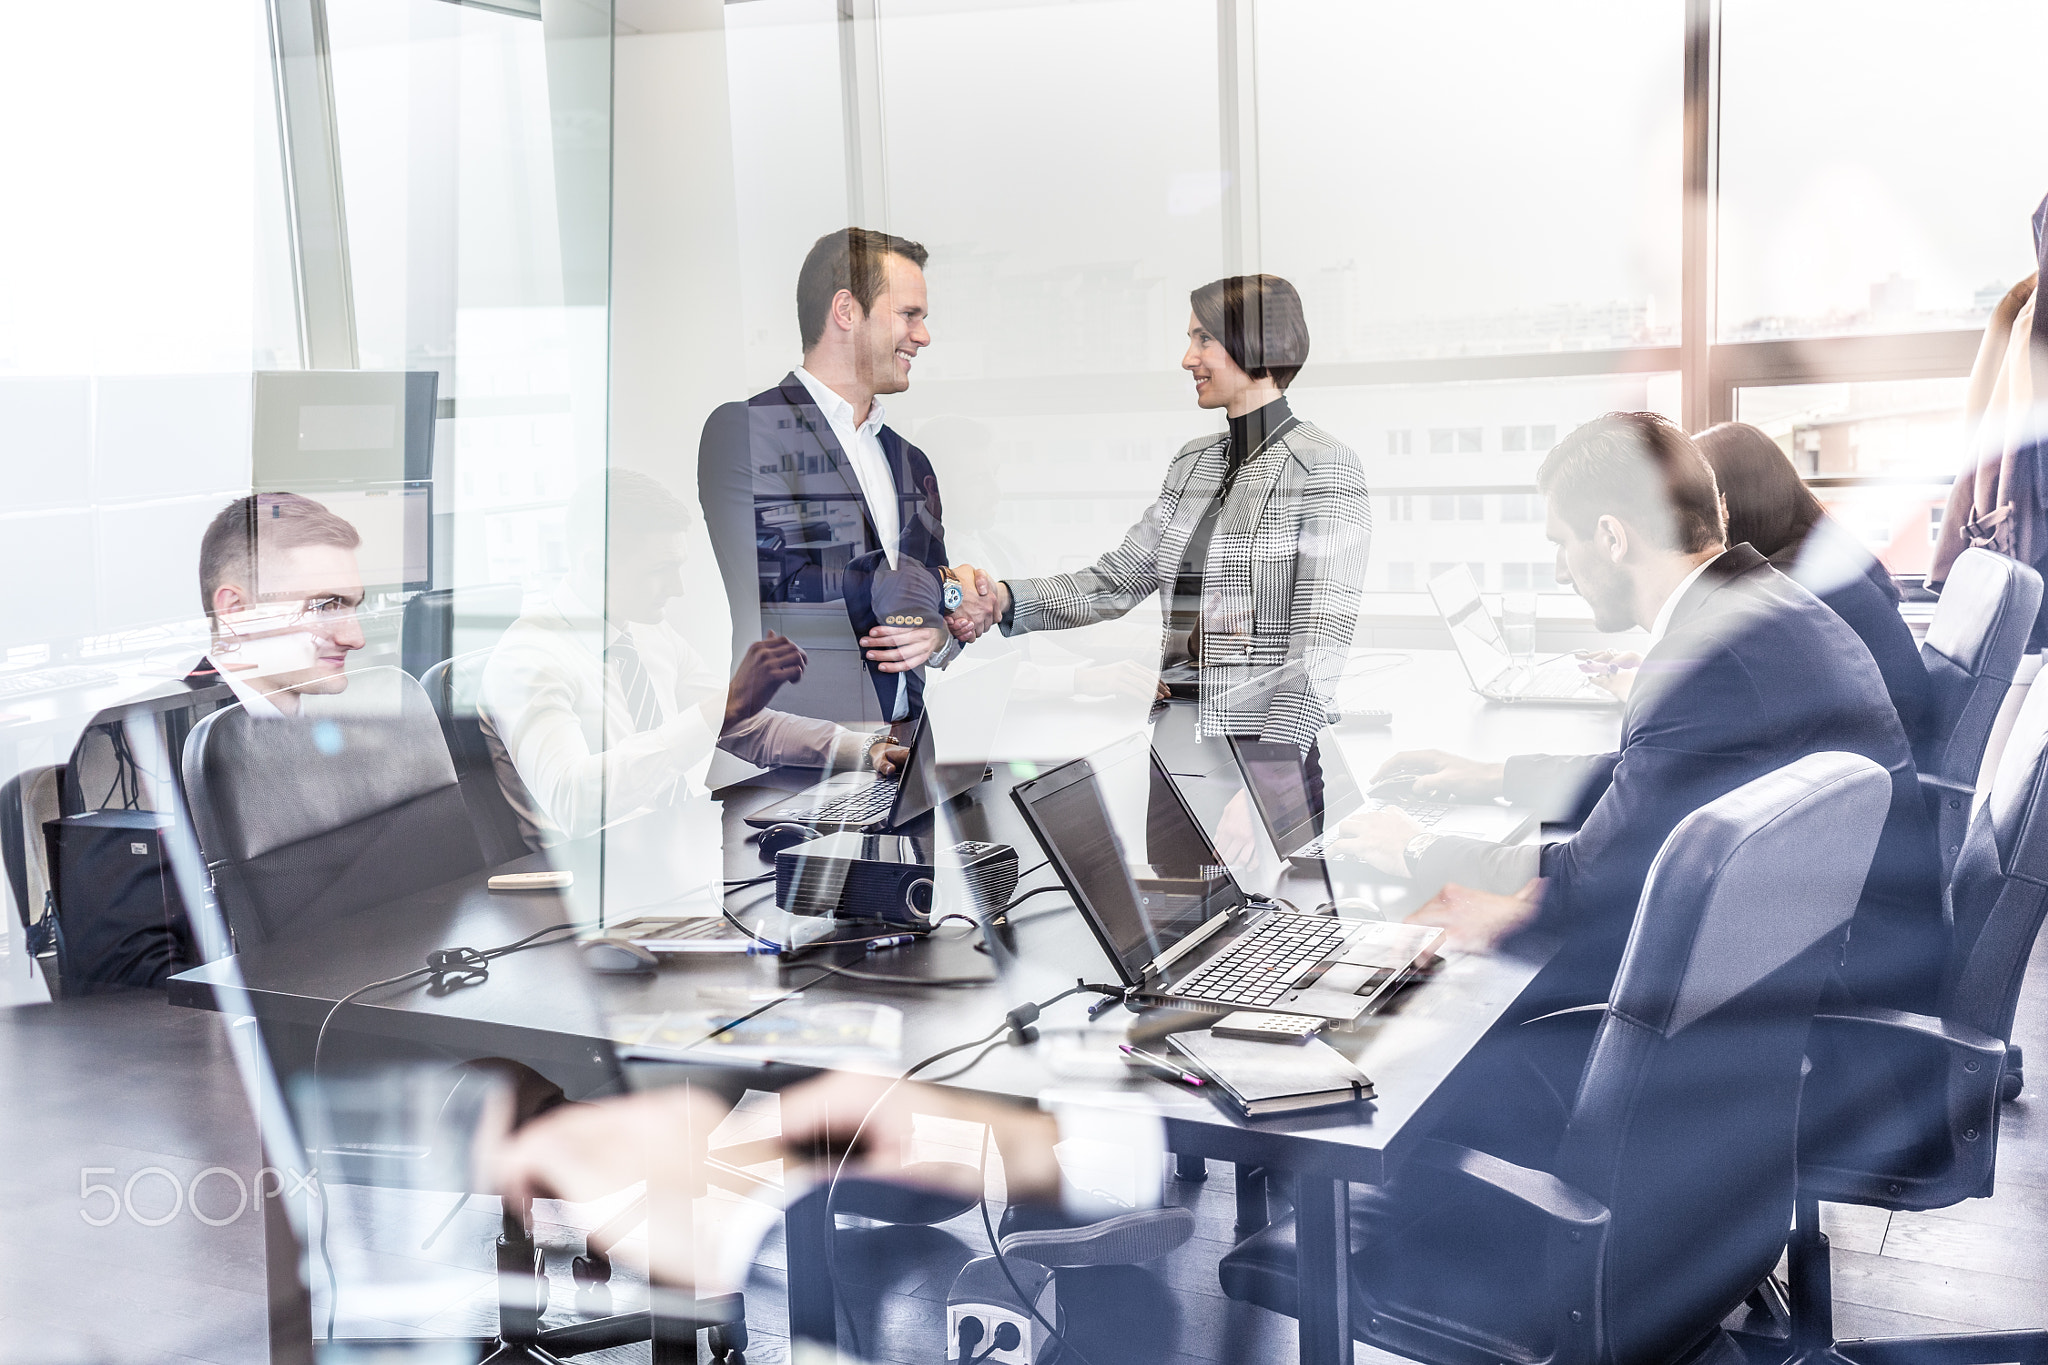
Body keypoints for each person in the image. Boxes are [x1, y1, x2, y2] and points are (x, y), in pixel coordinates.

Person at [1337, 412, 1945, 1014]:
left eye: (1560, 544)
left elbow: (1586, 883)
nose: (1557, 569)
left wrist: (1417, 848)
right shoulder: (1762, 601)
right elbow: (1660, 773)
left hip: (1815, 998)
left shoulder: (1707, 658)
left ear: (1611, 537)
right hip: (1840, 948)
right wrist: (1495, 777)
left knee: (1453, 1002)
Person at [946, 274, 1370, 749]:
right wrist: (1002, 598)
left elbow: (1320, 640)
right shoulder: (1194, 462)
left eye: (1203, 338)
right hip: (1174, 734)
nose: (1188, 358)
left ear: (1253, 341)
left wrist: (1274, 773)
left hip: (1264, 746)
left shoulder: (1321, 465)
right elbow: (1114, 581)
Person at [480, 469, 905, 850]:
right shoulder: (528, 658)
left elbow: (745, 725)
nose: (678, 587)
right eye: (660, 570)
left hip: (678, 849)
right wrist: (721, 707)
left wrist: (864, 748)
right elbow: (573, 803)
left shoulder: (644, 629)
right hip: (597, 886)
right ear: (596, 564)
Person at [698, 228, 964, 732]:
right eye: (909, 315)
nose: (923, 335)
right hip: (795, 759)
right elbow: (783, 590)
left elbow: (943, 608)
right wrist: (933, 588)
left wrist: (938, 634)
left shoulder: (911, 461)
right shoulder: (748, 431)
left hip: (907, 747)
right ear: (846, 311)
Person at [1696, 420, 1931, 745]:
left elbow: (1744, 701)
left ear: (1728, 503)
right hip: (1884, 746)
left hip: (1871, 761)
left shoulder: (1789, 581)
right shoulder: (1815, 551)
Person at [196, 492, 369, 716]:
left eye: (354, 606)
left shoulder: (334, 732)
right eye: (324, 606)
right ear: (236, 610)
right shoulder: (160, 738)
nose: (356, 640)